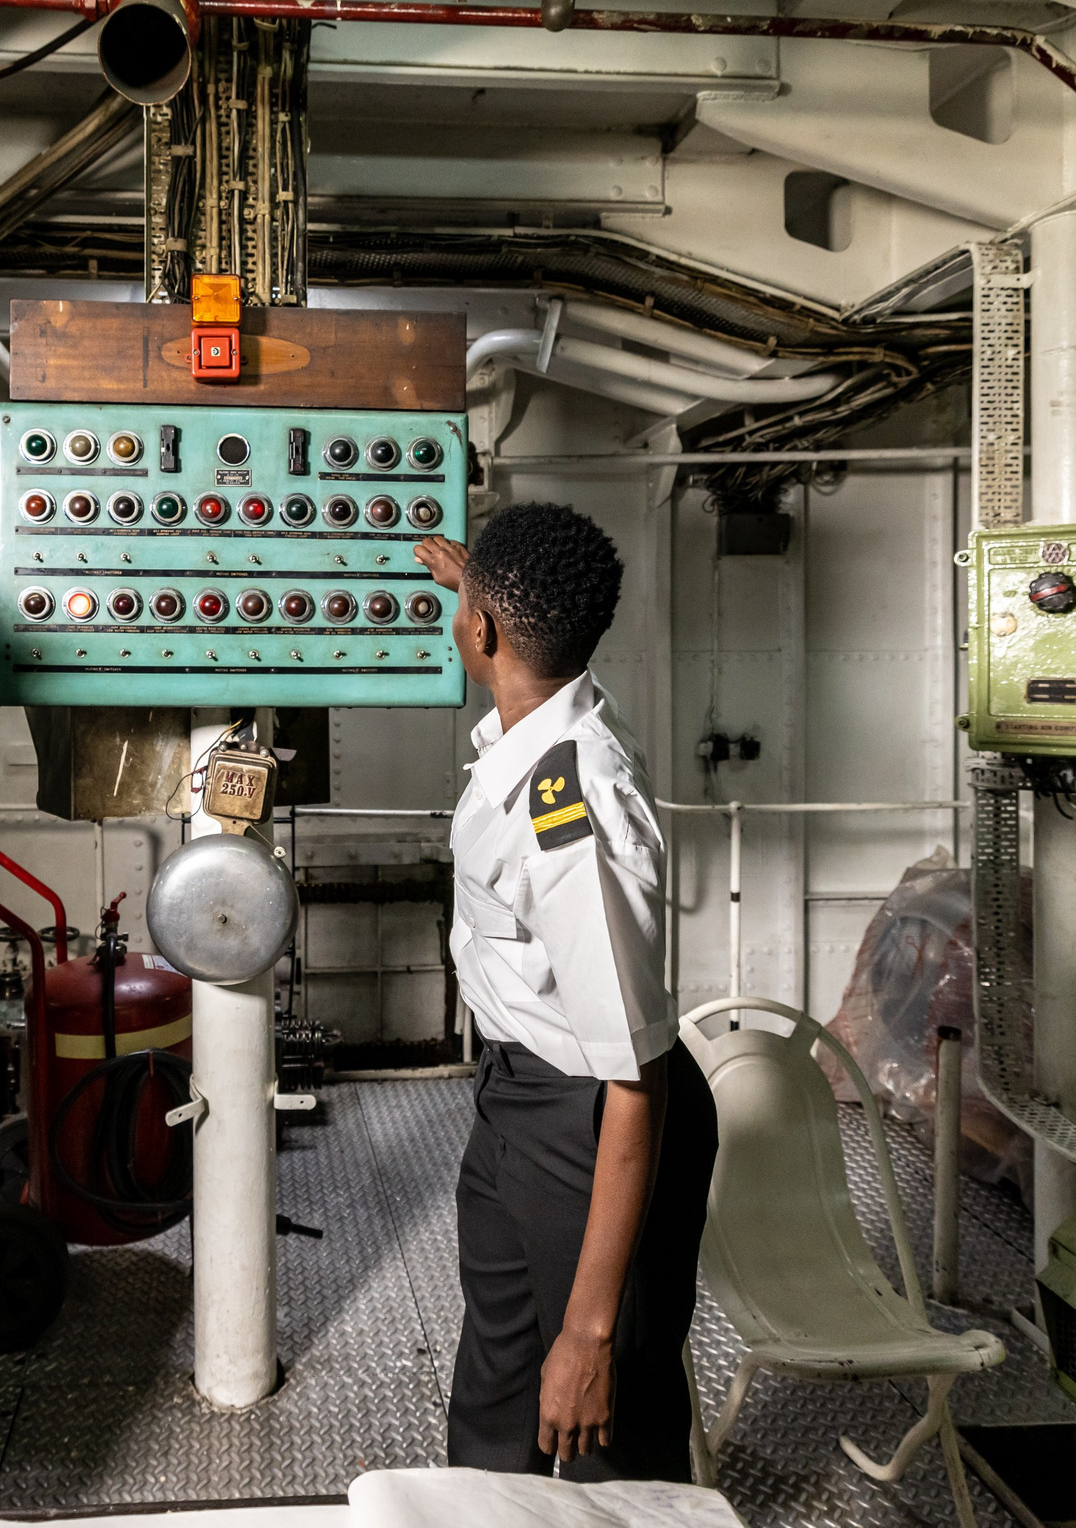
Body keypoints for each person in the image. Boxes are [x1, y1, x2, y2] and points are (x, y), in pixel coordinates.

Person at [414, 503, 717, 1483]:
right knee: (497, 1383)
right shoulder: (545, 707)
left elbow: (637, 1077)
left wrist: (589, 1330)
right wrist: (478, 585)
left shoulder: (571, 809)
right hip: (517, 1094)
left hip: (595, 1116)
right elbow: (528, 636)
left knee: (603, 1418)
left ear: (486, 633)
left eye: (472, 609)